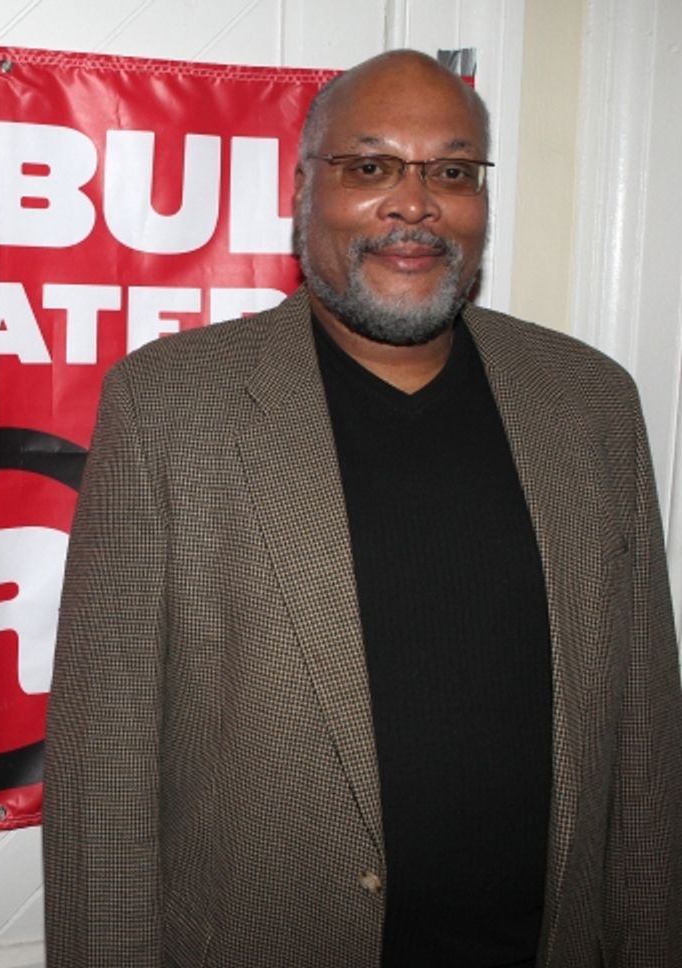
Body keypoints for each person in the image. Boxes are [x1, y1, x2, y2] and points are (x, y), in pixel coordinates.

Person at [42, 49, 682, 968]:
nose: (415, 203)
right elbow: (104, 762)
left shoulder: (593, 402)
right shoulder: (170, 404)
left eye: (452, 171)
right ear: (305, 191)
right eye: (371, 166)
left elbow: (645, 734)